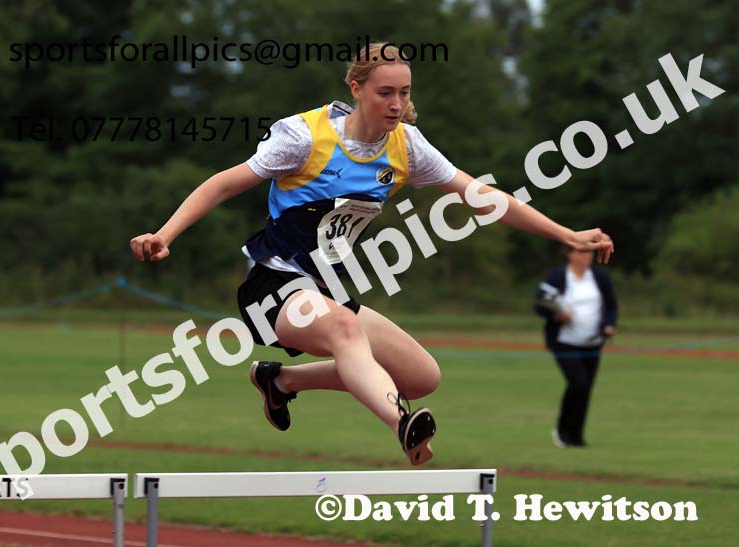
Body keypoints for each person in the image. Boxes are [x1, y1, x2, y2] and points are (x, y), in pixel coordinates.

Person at [130, 43, 614, 465]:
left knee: (421, 376)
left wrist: (566, 235)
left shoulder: (407, 147)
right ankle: (401, 424)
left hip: (327, 289)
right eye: (385, 93)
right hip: (273, 284)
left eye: (404, 92)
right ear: (357, 88)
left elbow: (483, 197)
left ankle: (282, 383)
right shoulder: (304, 137)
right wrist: (165, 233)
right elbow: (223, 184)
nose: (397, 104)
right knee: (345, 330)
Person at [534, 246, 618, 448]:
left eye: (589, 252)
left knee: (586, 388)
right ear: (569, 254)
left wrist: (609, 325)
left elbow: (611, 305)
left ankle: (577, 436)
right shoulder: (558, 276)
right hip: (565, 342)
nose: (587, 256)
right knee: (578, 383)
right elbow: (540, 304)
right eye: (582, 251)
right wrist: (557, 315)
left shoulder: (599, 276)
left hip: (592, 343)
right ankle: (562, 431)